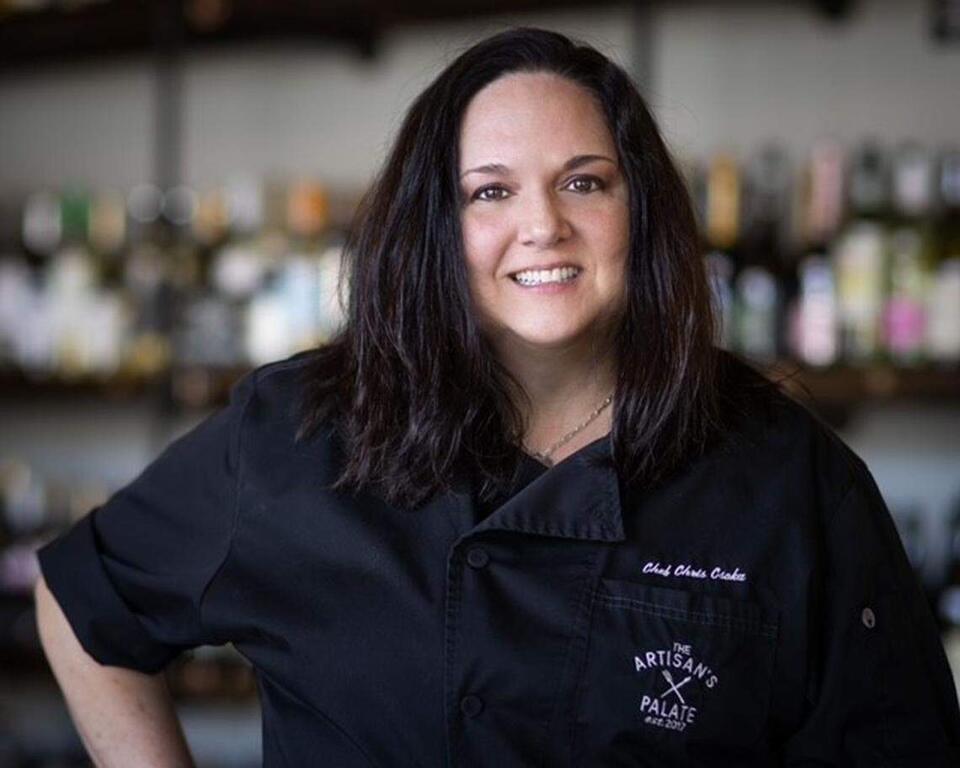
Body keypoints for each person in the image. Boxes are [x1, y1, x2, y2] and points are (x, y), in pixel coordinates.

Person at [34, 26, 960, 768]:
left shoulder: (787, 475)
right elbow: (81, 603)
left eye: (584, 182)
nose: (542, 225)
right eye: (489, 192)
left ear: (642, 212)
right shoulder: (296, 433)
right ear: (434, 228)